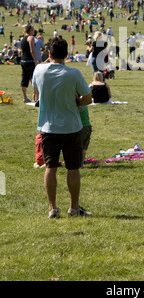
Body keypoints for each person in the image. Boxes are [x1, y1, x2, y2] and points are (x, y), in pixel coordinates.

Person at [32, 36, 92, 219]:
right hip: (71, 127)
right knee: (73, 168)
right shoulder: (73, 73)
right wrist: (77, 101)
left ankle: (53, 208)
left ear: (49, 53)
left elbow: (36, 86)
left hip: (48, 127)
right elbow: (88, 98)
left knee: (51, 167)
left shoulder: (39, 70)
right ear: (67, 55)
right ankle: (74, 208)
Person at [20, 24, 38, 103]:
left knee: (24, 79)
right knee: (34, 79)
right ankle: (36, 97)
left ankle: (25, 98)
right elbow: (32, 50)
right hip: (30, 61)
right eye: (33, 29)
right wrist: (35, 61)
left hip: (23, 61)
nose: (34, 31)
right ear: (30, 30)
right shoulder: (31, 38)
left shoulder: (23, 39)